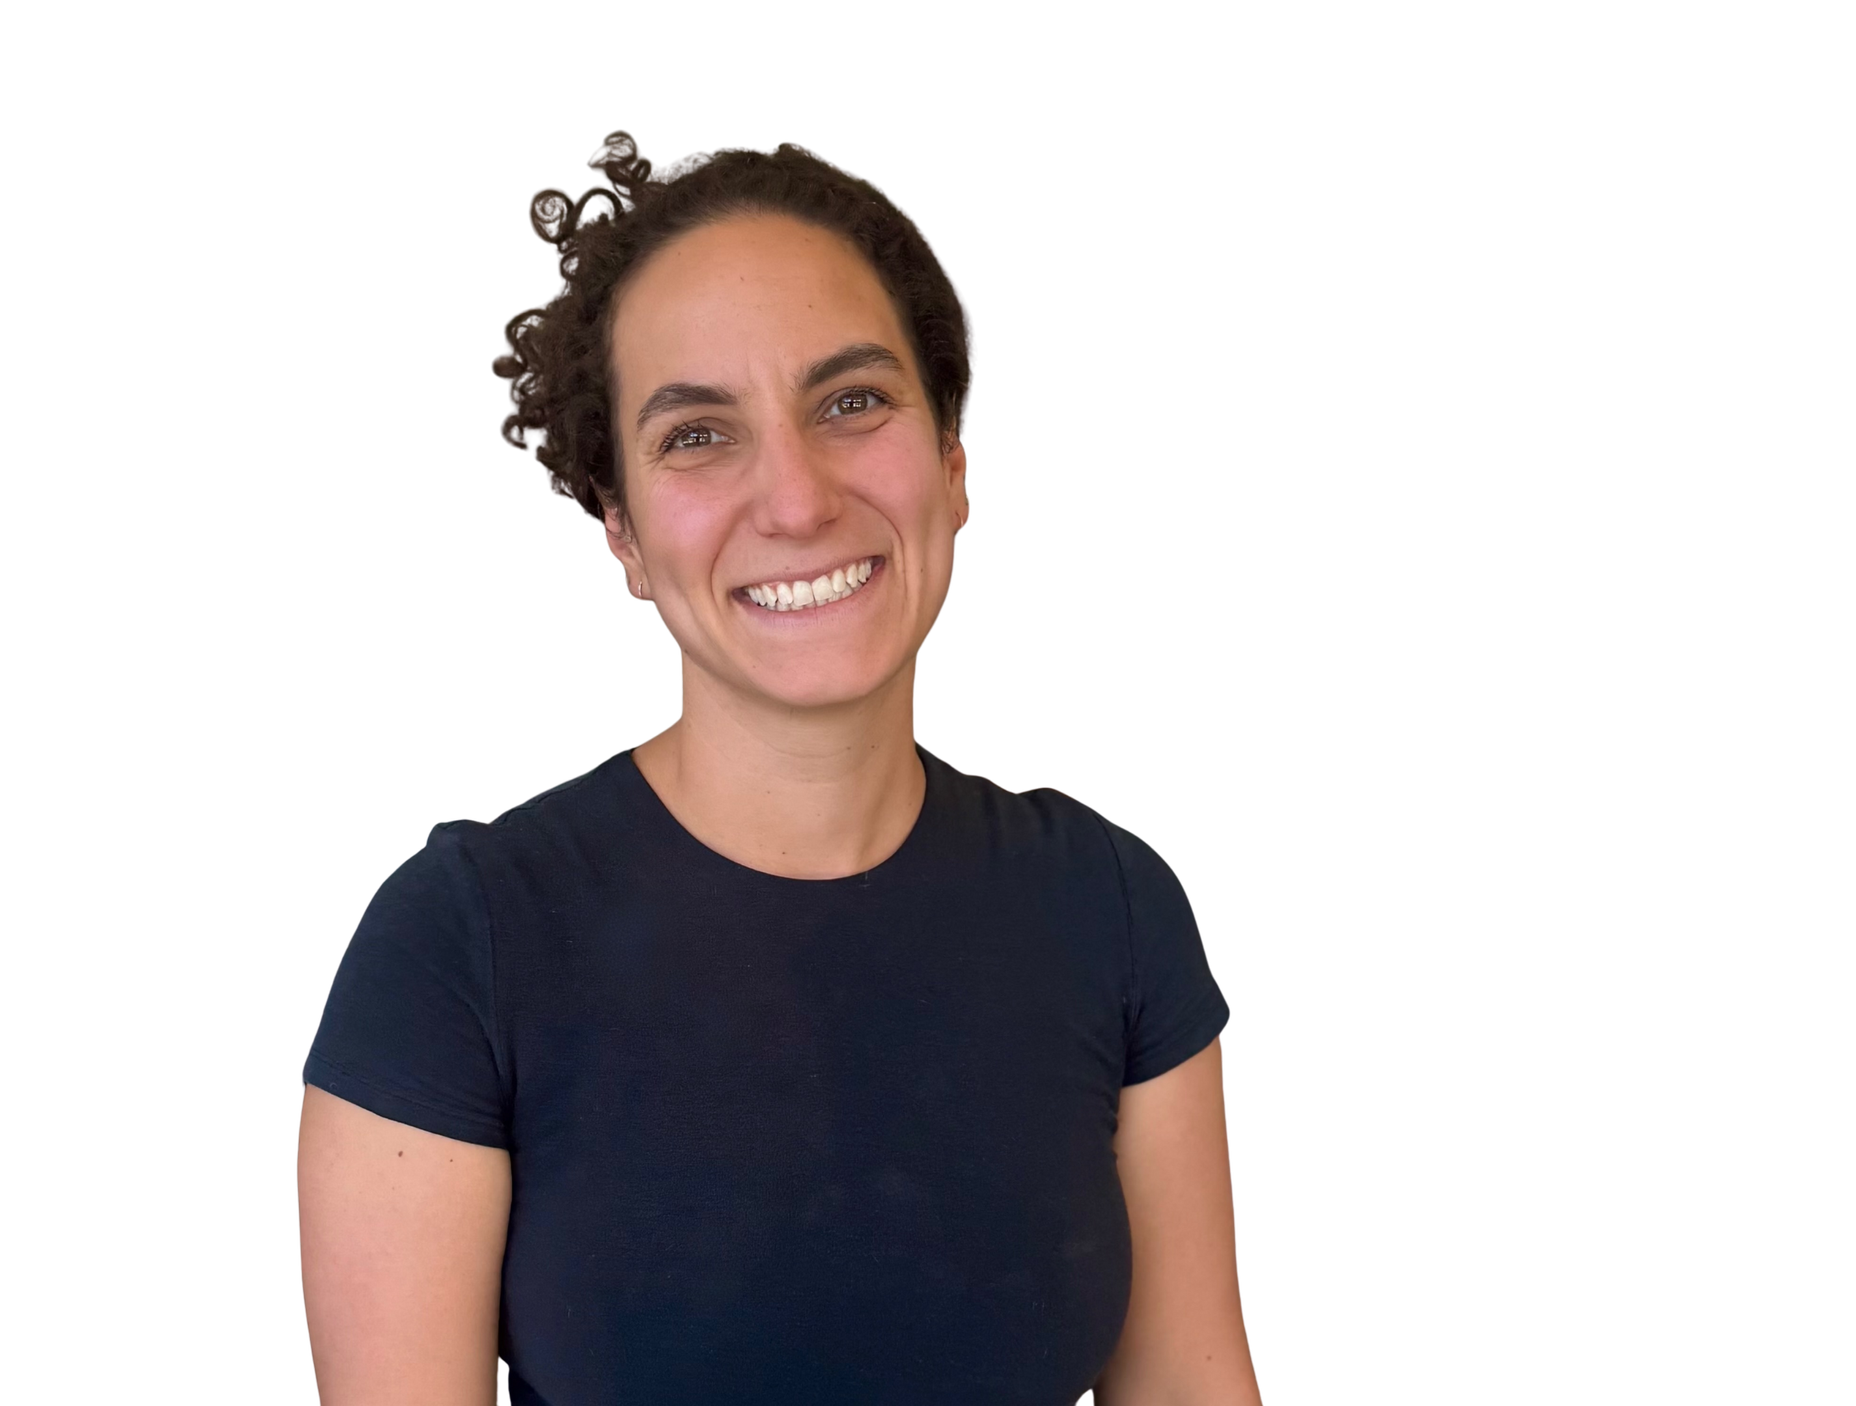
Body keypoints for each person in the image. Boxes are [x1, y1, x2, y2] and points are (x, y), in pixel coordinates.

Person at [297, 131, 1262, 1405]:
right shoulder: (457, 943)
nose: (797, 498)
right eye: (698, 433)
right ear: (624, 536)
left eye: (851, 400)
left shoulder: (1119, 907)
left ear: (954, 462)